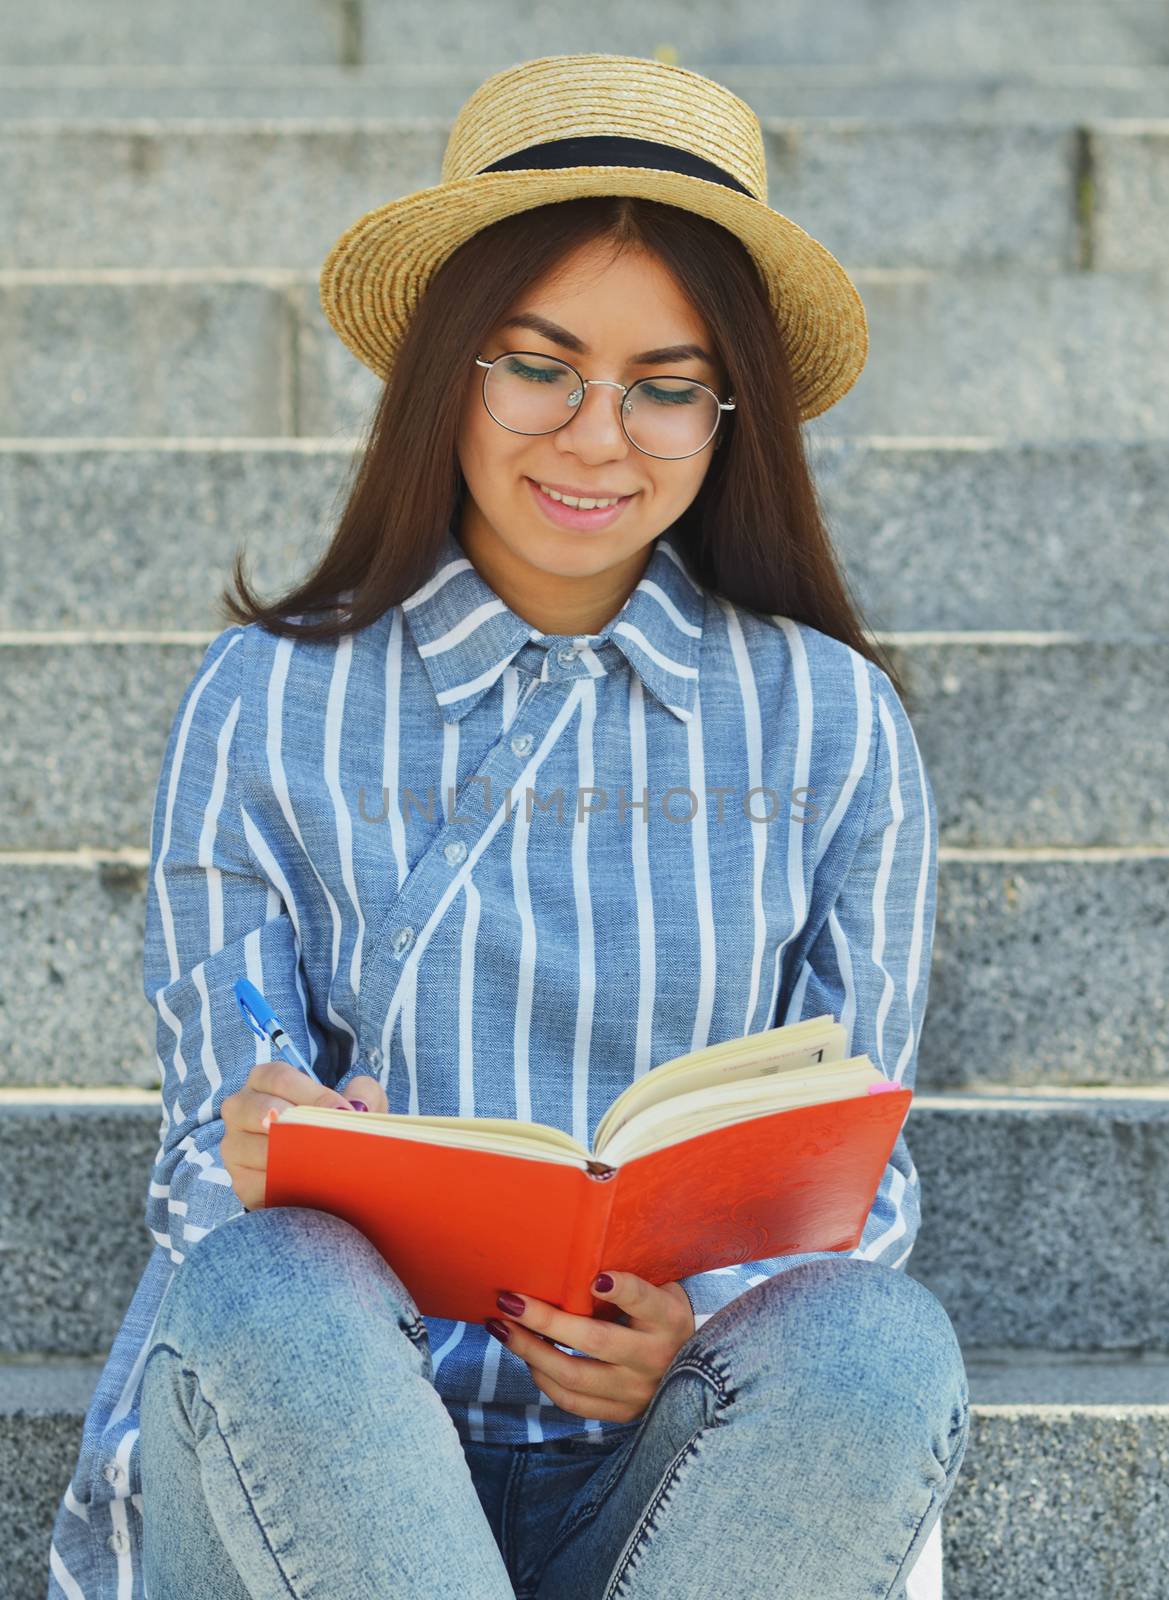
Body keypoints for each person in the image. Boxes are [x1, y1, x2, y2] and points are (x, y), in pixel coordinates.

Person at [47, 51, 968, 1600]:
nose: (598, 436)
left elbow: (853, 1176)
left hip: (673, 1480)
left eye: (666, 384)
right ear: (448, 370)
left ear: (726, 410)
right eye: (538, 363)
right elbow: (204, 1167)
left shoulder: (828, 724)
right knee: (268, 1278)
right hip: (316, 1456)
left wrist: (689, 1323)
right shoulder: (268, 697)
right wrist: (264, 1133)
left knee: (876, 1341)